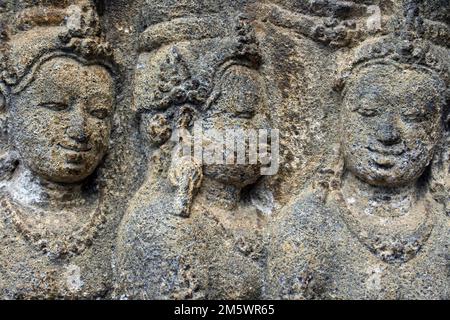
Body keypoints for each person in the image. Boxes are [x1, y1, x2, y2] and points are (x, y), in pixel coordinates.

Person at [0, 1, 115, 298]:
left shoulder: (123, 220)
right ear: (6, 110)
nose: (80, 131)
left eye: (99, 112)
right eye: (57, 106)